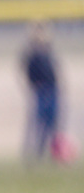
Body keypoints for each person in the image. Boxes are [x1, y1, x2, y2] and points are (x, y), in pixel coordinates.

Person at [21, 20, 61, 161]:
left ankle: (54, 152)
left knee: (53, 124)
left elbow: (55, 71)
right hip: (41, 90)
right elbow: (27, 73)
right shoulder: (31, 53)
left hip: (53, 89)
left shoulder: (48, 50)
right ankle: (33, 152)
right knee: (38, 124)